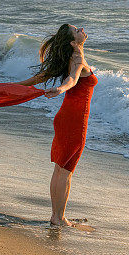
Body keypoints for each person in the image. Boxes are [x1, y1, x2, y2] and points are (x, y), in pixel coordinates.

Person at [16, 23, 99, 227]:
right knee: (65, 171)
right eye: (76, 30)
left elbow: (38, 78)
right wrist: (62, 89)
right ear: (73, 41)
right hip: (75, 120)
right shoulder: (77, 58)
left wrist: (10, 86)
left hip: (66, 118)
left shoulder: (70, 57)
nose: (81, 29)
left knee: (61, 169)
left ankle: (57, 216)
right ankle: (59, 218)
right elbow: (72, 79)